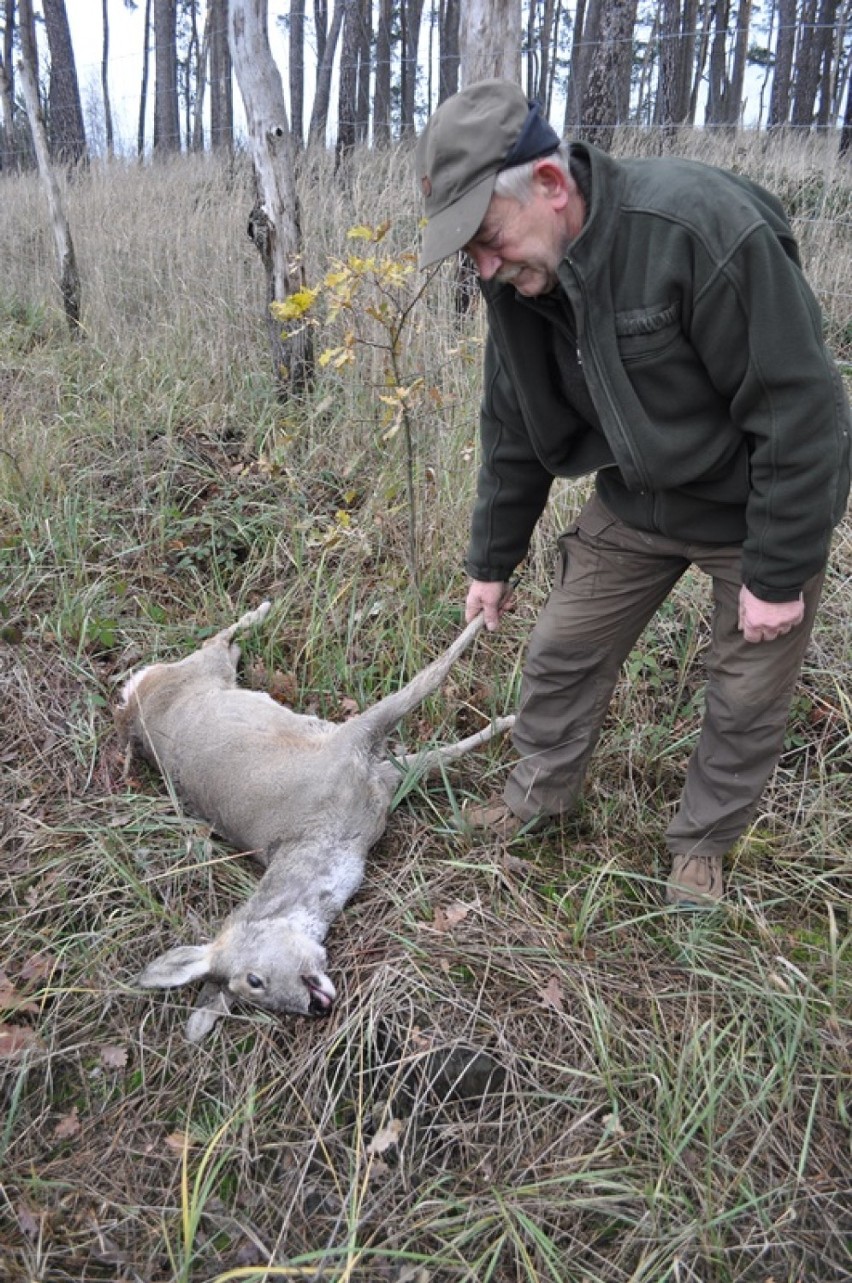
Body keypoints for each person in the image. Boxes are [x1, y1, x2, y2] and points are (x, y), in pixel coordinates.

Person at [415, 79, 851, 906]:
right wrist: (492, 558)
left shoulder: (696, 229)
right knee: (560, 652)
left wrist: (778, 570)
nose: (484, 265)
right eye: (469, 249)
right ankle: (536, 803)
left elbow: (802, 408)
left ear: (549, 185)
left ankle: (702, 845)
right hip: (636, 500)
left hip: (748, 510)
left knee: (746, 691)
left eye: (487, 236)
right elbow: (512, 423)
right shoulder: (518, 280)